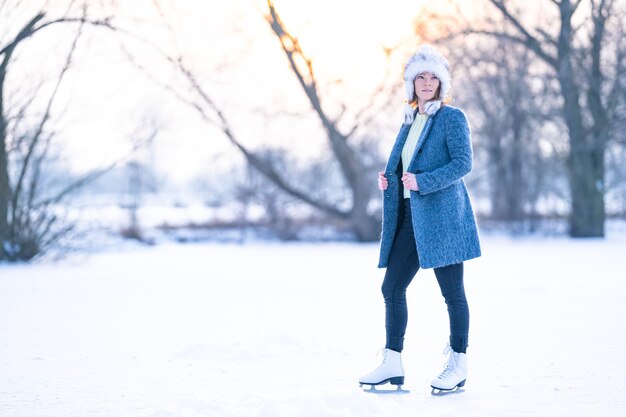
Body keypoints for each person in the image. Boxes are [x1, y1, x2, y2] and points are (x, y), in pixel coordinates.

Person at [358, 45, 481, 394]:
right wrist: (390, 179)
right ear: (411, 84)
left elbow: (462, 163)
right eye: (420, 77)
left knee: (452, 293)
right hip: (410, 219)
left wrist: (423, 181)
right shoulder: (410, 119)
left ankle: (459, 363)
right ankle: (392, 362)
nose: (426, 83)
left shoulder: (452, 118)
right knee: (392, 287)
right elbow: (404, 166)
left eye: (432, 77)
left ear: (441, 83)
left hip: (443, 220)